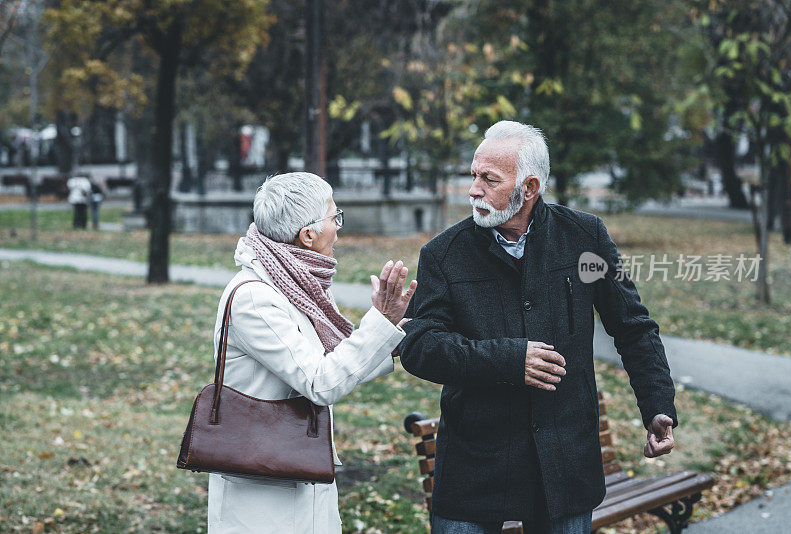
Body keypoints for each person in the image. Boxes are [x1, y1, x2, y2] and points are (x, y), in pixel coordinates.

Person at [398, 120, 677, 534]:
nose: (474, 189)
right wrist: (509, 359)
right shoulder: (443, 254)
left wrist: (657, 405)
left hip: (564, 462)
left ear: (529, 188)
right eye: (473, 175)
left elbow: (633, 326)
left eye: (489, 179)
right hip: (476, 465)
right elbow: (419, 345)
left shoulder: (586, 238)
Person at [207, 172, 416, 534]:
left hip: (300, 475)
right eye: (334, 218)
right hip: (262, 497)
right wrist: (379, 323)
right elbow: (322, 382)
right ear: (308, 235)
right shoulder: (256, 297)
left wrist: (392, 338)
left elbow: (331, 364)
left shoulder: (298, 286)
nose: (338, 228)